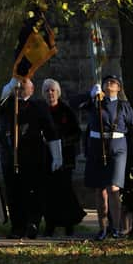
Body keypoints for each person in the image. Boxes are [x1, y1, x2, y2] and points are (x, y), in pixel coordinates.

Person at [0, 77, 62, 239]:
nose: (20, 86)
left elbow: (50, 131)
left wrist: (57, 156)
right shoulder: (7, 104)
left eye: (23, 83)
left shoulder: (38, 106)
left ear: (32, 89)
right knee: (13, 194)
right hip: (10, 157)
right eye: (17, 84)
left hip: (33, 158)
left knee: (34, 193)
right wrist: (11, 83)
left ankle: (32, 223)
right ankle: (17, 227)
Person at [83, 74, 133, 240]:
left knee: (113, 188)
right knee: (100, 190)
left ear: (119, 88)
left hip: (117, 148)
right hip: (97, 148)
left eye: (113, 82)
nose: (109, 84)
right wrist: (90, 96)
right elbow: (75, 103)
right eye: (106, 82)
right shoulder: (95, 103)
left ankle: (117, 228)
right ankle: (103, 227)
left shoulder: (124, 106)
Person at [40, 78, 86, 236]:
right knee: (48, 193)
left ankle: (69, 224)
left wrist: (62, 142)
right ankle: (50, 225)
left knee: (65, 191)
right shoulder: (41, 111)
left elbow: (77, 133)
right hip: (46, 158)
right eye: (47, 90)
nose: (50, 93)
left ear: (58, 92)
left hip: (65, 157)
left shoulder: (66, 111)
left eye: (52, 90)